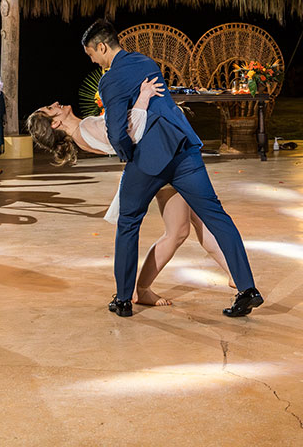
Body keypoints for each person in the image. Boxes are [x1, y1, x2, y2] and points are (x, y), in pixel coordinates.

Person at [83, 19, 261, 319]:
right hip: (183, 149)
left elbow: (116, 131)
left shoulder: (109, 79)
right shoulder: (145, 61)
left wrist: (129, 157)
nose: (92, 59)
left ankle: (125, 299)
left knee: (128, 223)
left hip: (148, 159)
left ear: (101, 47)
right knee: (217, 217)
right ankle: (248, 289)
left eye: (91, 53)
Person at [26, 79, 233, 307]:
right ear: (54, 123)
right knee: (179, 232)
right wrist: (144, 96)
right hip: (159, 164)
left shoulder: (83, 129)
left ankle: (234, 275)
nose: (55, 103)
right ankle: (143, 288)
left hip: (158, 162)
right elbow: (129, 132)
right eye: (50, 108)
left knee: (190, 226)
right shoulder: (84, 129)